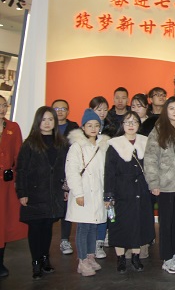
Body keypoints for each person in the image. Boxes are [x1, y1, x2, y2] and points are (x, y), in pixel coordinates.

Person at [16, 106, 68, 279]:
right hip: (35, 193)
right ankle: (36, 262)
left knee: (47, 227)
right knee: (35, 227)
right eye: (44, 119)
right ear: (38, 121)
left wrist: (66, 188)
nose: (47, 123)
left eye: (50, 119)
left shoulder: (61, 143)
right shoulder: (30, 143)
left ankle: (45, 258)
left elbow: (66, 169)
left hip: (54, 194)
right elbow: (21, 170)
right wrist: (22, 192)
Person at [144, 96, 175, 274]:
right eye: (171, 108)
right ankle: (166, 257)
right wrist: (153, 183)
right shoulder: (158, 130)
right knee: (166, 223)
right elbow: (150, 158)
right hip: (164, 184)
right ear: (166, 111)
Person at [104, 111, 154, 273]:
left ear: (139, 125)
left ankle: (135, 257)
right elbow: (109, 173)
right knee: (120, 224)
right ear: (122, 125)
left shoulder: (146, 142)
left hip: (141, 190)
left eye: (134, 122)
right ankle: (120, 258)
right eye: (127, 122)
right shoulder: (114, 145)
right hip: (121, 191)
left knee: (139, 223)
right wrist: (108, 195)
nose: (131, 125)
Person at [65, 109, 110, 277]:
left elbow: (105, 172)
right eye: (89, 125)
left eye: (96, 125)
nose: (93, 128)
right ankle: (82, 260)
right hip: (83, 193)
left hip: (97, 193)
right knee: (83, 228)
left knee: (93, 226)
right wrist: (78, 194)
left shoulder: (103, 146)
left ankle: (90, 257)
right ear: (83, 127)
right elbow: (71, 171)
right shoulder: (77, 147)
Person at [0, 95, 26, 278]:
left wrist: (18, 178)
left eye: (4, 105)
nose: (2, 109)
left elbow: (19, 154)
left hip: (7, 184)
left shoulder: (13, 127)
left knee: (4, 222)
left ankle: (0, 261)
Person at [88, 96, 116, 258]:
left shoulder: (111, 129)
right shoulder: (85, 131)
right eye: (99, 109)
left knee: (106, 209)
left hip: (107, 174)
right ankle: (90, 244)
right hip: (91, 177)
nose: (102, 112)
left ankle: (100, 240)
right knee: (92, 212)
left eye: (105, 109)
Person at [52, 99, 78, 256]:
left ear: (68, 111)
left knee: (66, 208)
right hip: (50, 175)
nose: (60, 111)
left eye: (63, 109)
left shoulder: (74, 128)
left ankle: (64, 239)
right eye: (56, 109)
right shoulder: (47, 126)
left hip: (68, 172)